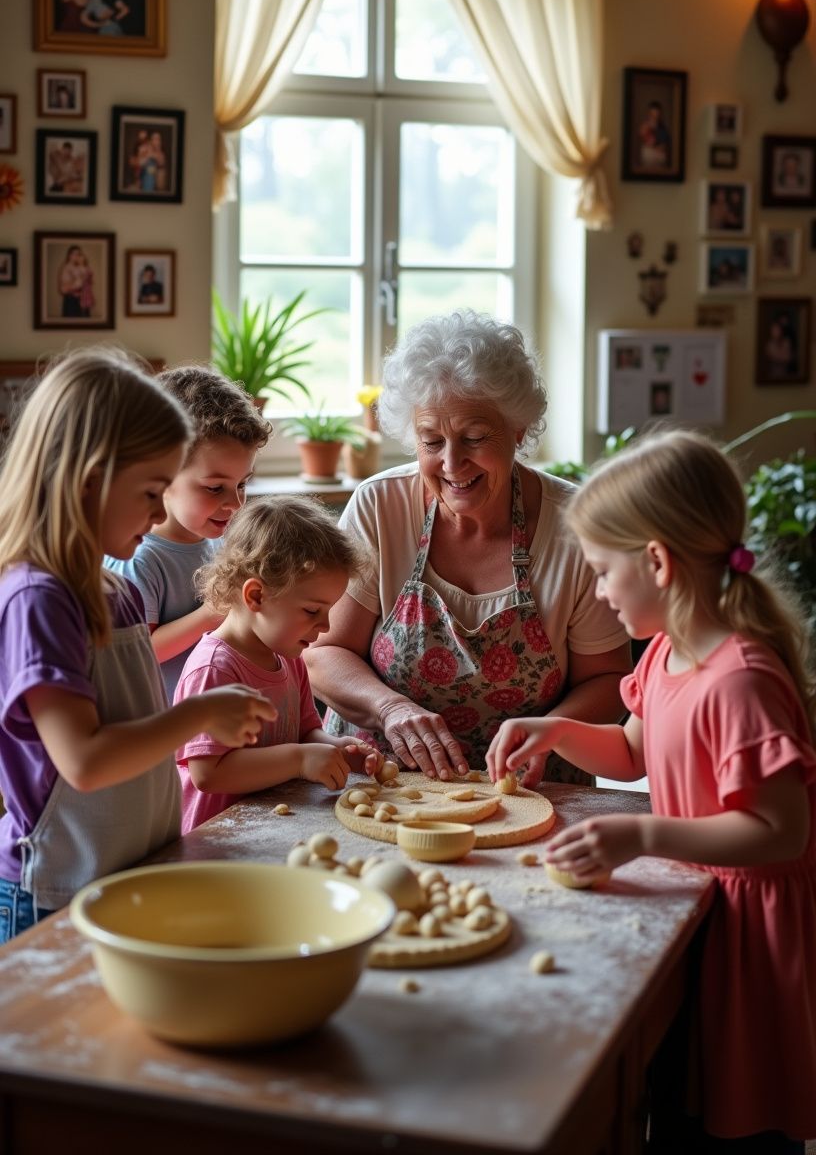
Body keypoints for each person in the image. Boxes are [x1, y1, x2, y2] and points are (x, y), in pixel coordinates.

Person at [487, 430, 816, 1152]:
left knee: (737, 1125)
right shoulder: (667, 649)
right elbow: (635, 752)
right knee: (677, 1105)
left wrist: (641, 834)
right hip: (699, 904)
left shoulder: (740, 679)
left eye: (604, 572)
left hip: (750, 936)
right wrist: (553, 730)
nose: (600, 591)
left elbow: (779, 830)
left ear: (658, 563)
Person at [0, 348, 277, 943]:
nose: (157, 513)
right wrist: (198, 715)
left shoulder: (114, 593)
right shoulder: (39, 598)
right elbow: (85, 760)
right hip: (54, 889)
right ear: (91, 479)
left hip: (120, 870)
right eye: (151, 489)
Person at [306, 311, 629, 784]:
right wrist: (389, 707)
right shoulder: (379, 506)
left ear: (518, 429)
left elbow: (608, 681)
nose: (452, 463)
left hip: (534, 789)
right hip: (384, 781)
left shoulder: (574, 524)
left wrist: (551, 732)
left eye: (475, 438)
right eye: (431, 440)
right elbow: (324, 652)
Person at [175, 497, 383, 833]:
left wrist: (335, 749)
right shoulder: (214, 669)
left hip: (273, 828)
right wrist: (300, 760)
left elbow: (304, 733)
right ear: (255, 596)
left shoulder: (289, 659)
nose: (326, 626)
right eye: (312, 611)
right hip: (220, 842)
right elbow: (208, 773)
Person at [105, 365, 270, 699]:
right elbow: (135, 656)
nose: (235, 502)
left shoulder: (218, 541)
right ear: (161, 474)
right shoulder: (138, 560)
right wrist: (212, 613)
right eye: (214, 488)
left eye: (243, 483)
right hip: (162, 733)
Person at [57, 243, 93, 319]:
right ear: (69, 255)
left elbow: (87, 280)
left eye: (79, 254)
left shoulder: (80, 266)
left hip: (82, 300)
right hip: (71, 301)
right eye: (75, 254)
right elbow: (63, 289)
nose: (77, 256)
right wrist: (77, 284)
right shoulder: (66, 268)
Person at [637, 100, 671, 169]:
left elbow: (664, 144)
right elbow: (642, 136)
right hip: (648, 154)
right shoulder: (645, 126)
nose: (654, 115)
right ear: (649, 113)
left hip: (659, 156)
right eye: (652, 113)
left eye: (656, 113)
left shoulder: (663, 128)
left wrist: (660, 147)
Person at [764, 314, 797, 380]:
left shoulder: (786, 342)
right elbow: (773, 357)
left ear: (781, 330)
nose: (775, 332)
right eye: (773, 330)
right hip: (772, 376)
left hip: (787, 375)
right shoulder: (770, 345)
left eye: (777, 330)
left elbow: (789, 358)